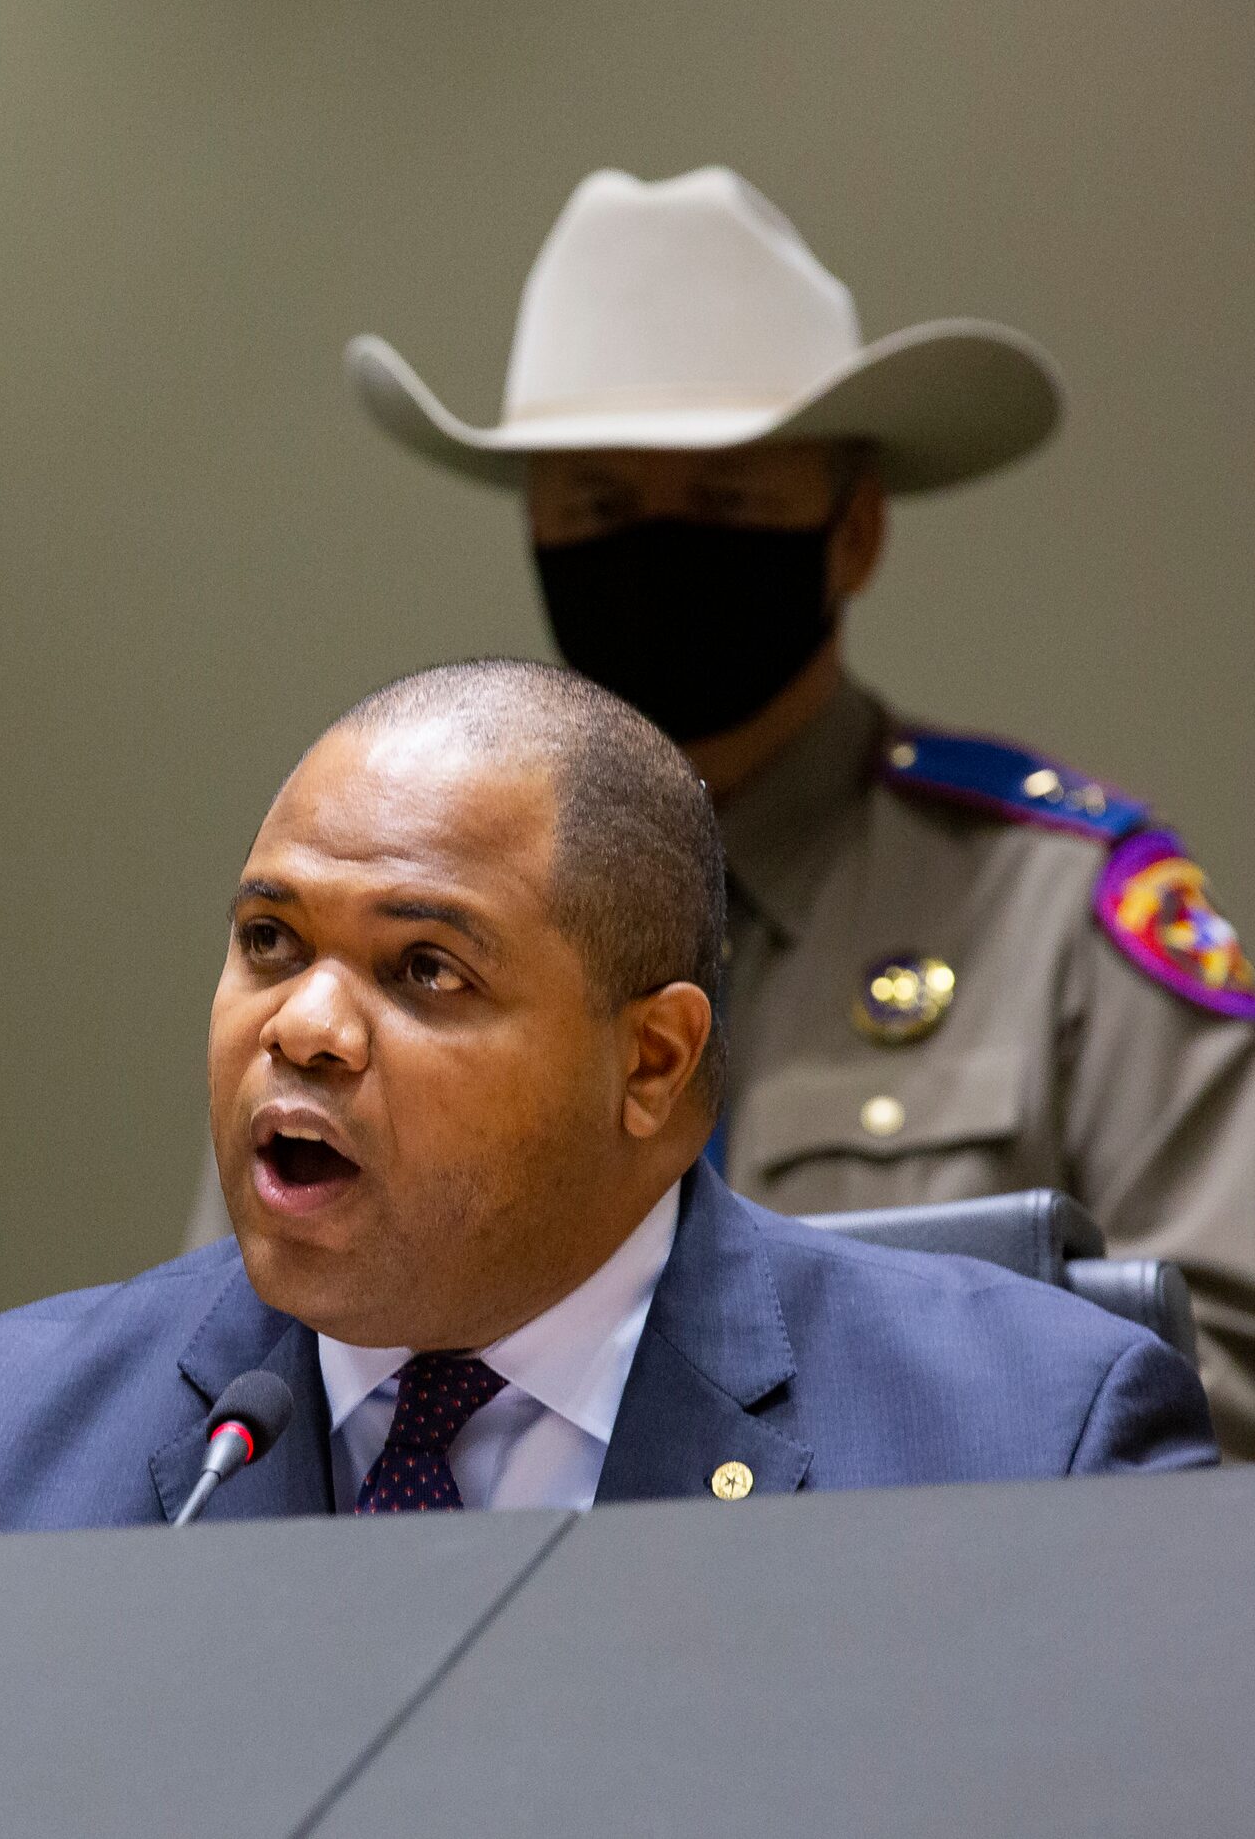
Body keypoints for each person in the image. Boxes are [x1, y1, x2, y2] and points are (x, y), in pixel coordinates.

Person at [184, 166, 1255, 1455]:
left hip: (927, 1603)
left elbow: (1221, 1369)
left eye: (726, 505)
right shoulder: (373, 924)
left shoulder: (1051, 904)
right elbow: (248, 1335)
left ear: (852, 532)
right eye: (601, 509)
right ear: (533, 527)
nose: (659, 554)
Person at [0, 663, 1213, 1535]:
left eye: (423, 968)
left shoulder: (1029, 1452)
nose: (305, 1026)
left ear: (653, 1064)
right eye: (269, 940)